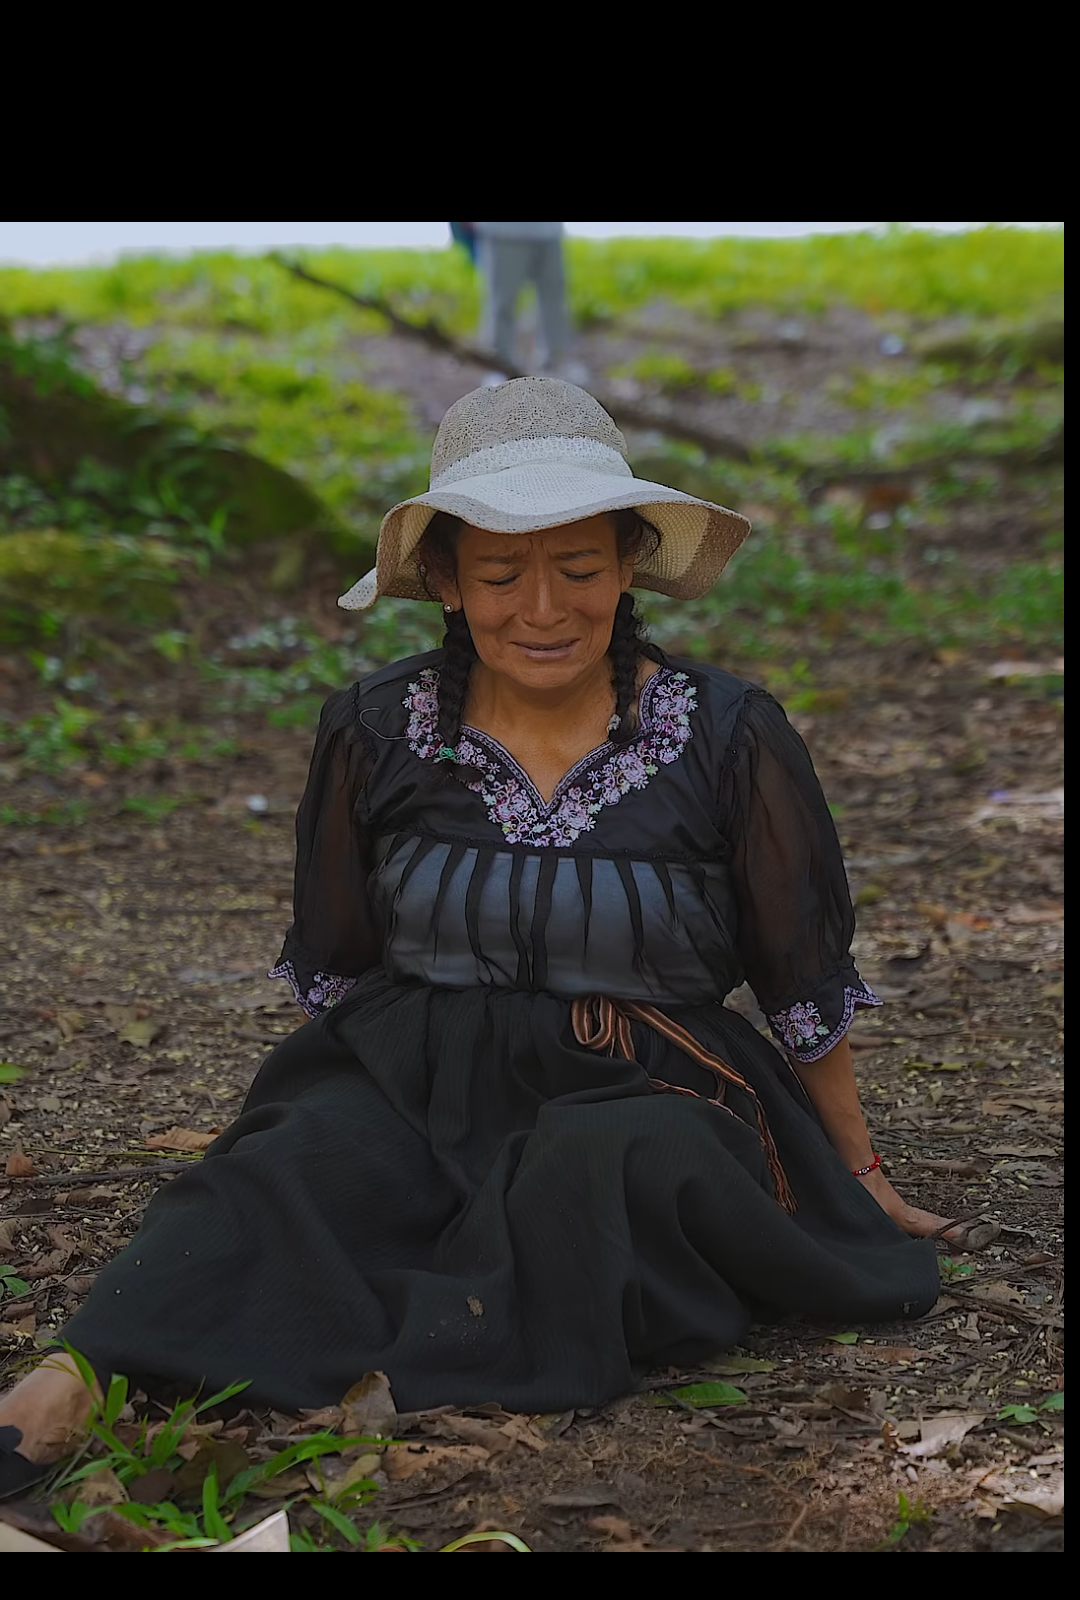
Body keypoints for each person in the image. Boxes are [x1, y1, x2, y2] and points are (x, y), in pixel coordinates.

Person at [0, 378, 947, 1495]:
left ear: (630, 563)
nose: (542, 608)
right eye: (501, 574)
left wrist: (856, 1165)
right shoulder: (374, 728)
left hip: (653, 1086)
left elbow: (800, 973)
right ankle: (73, 1374)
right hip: (421, 1065)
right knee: (277, 1174)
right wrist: (340, 1120)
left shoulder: (728, 735)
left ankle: (389, 1351)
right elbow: (343, 965)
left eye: (579, 569)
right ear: (445, 581)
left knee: (590, 1174)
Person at [472, 222, 569, 372]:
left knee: (554, 300)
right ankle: (499, 367)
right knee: (502, 301)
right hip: (503, 232)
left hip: (549, 232)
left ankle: (556, 362)